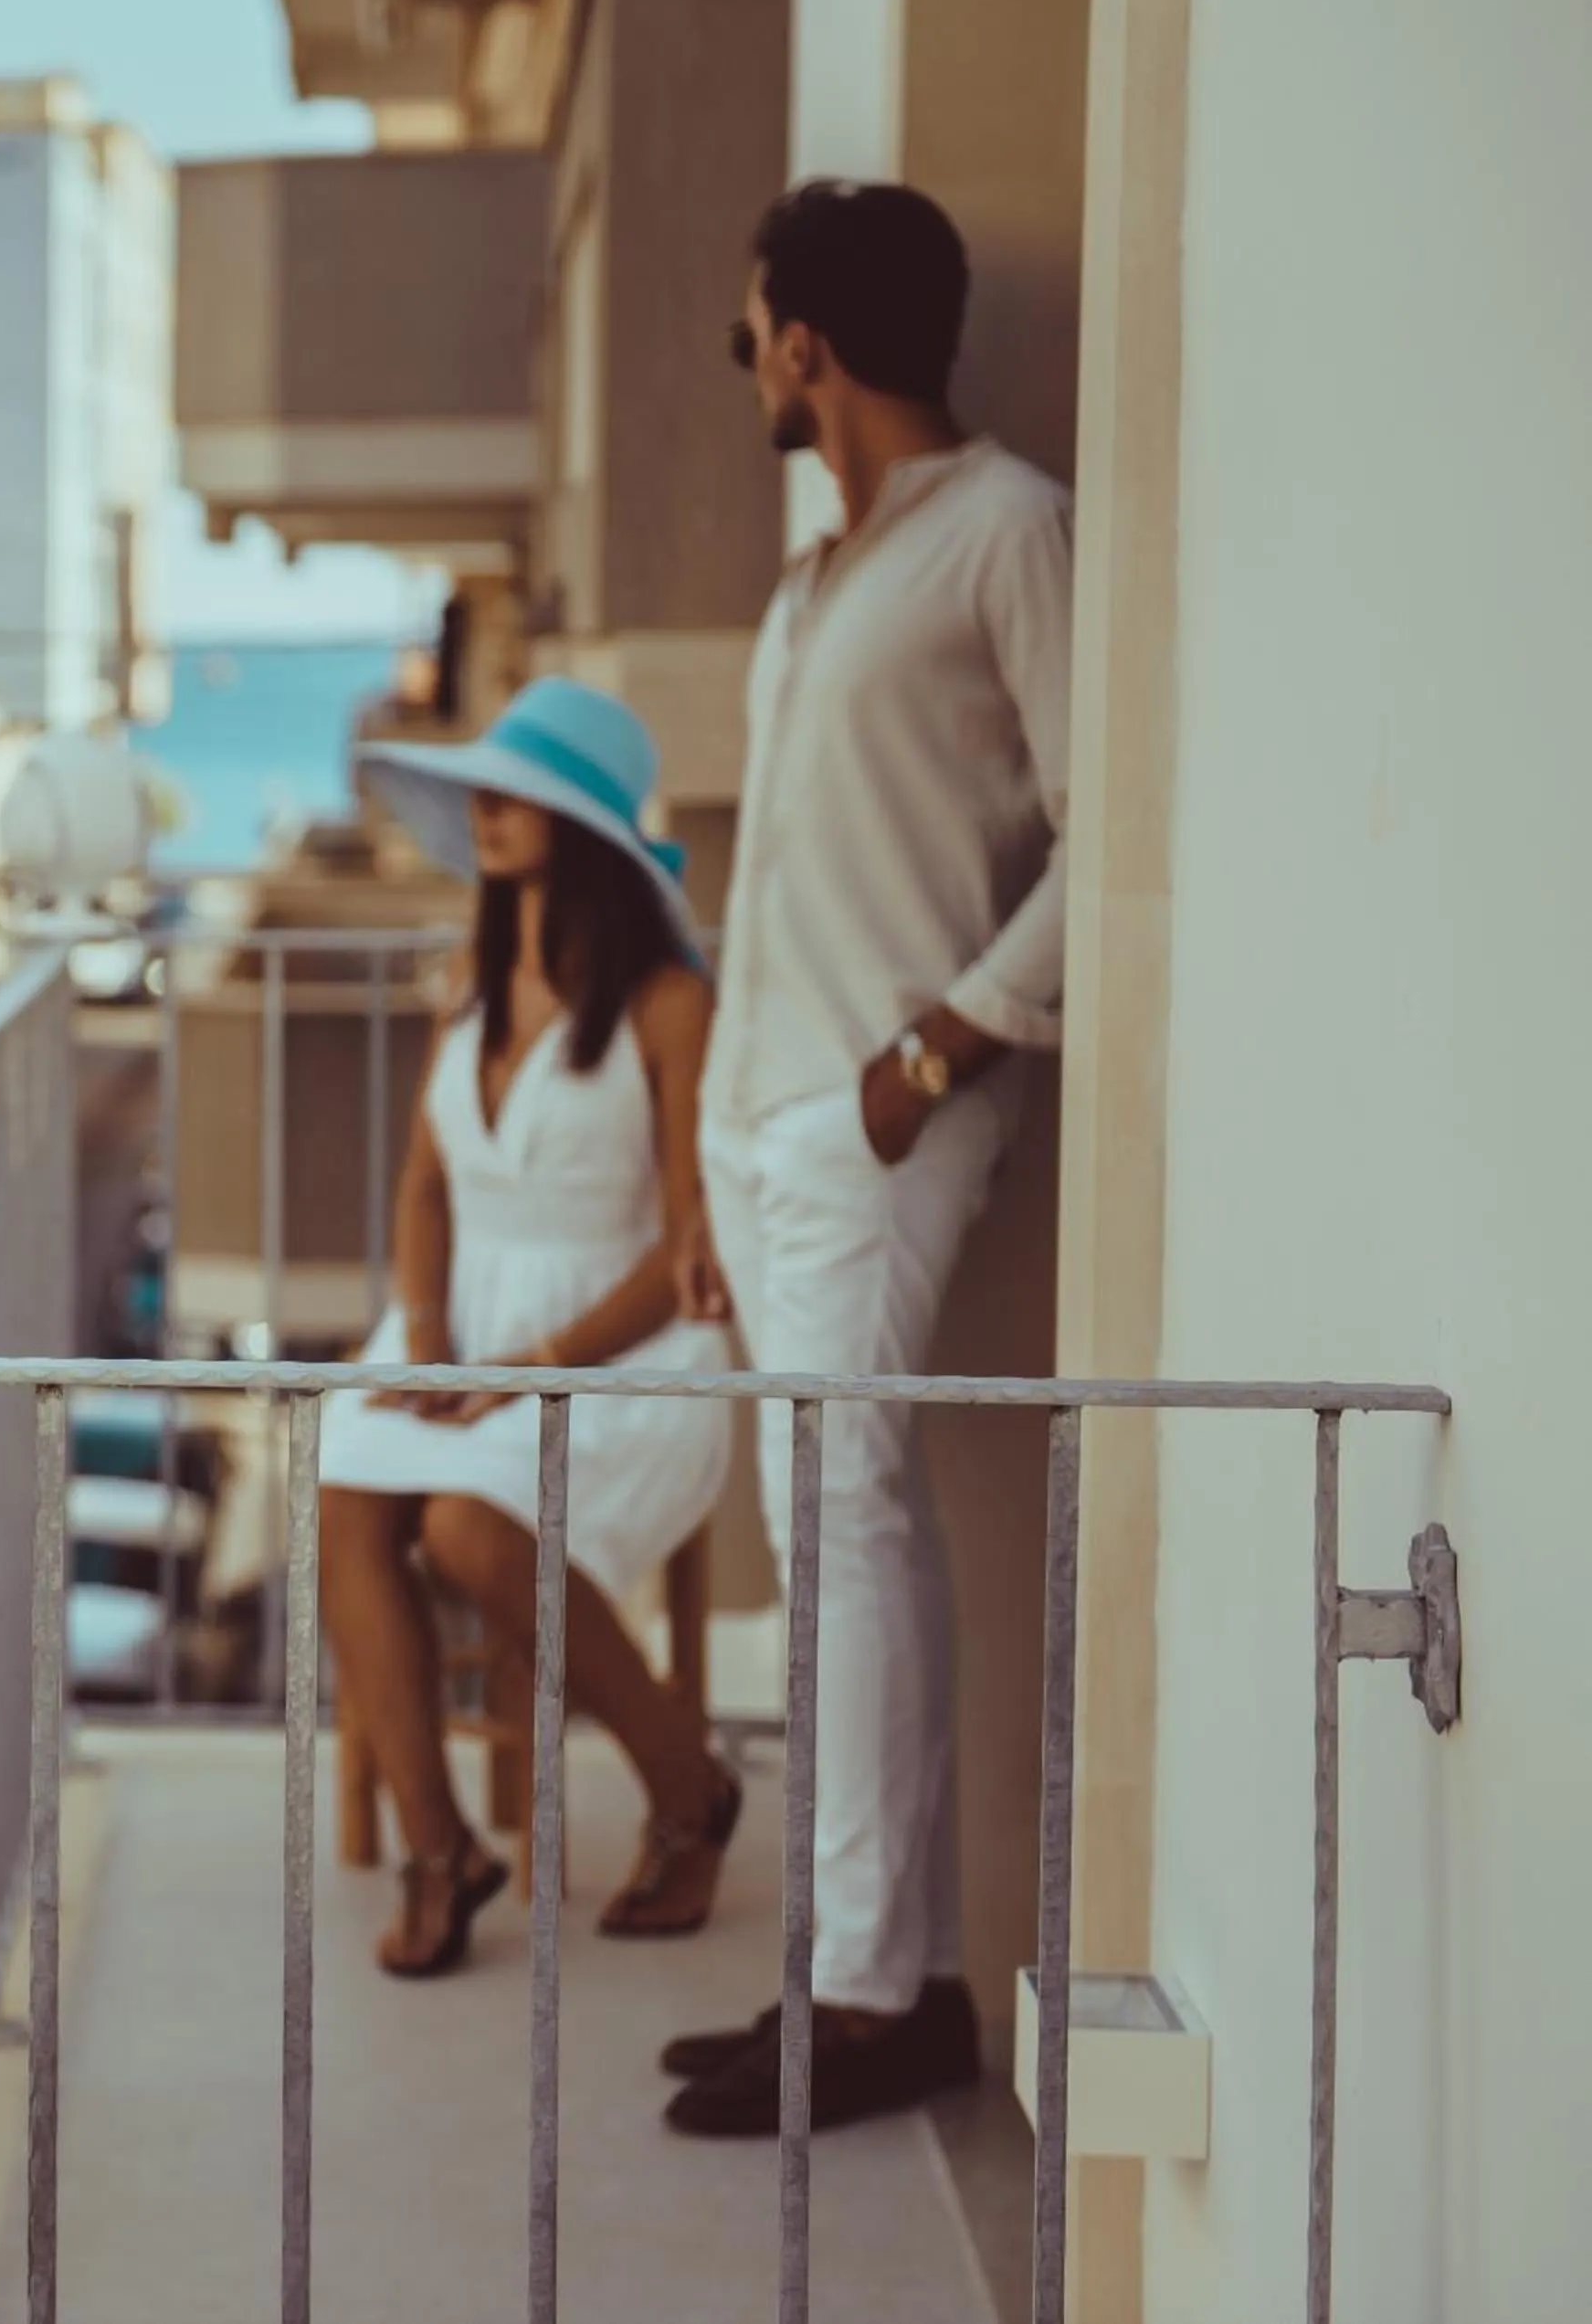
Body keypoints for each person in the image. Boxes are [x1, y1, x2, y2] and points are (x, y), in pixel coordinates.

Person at [659, 181, 1073, 2137]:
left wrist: (932, 1051)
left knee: (848, 1527)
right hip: (777, 1125)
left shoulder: (1012, 532)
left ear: (807, 344)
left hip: (881, 1114)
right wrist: (719, 1150)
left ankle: (861, 1988)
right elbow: (780, 883)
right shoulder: (816, 579)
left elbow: (1116, 835)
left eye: (755, 332)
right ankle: (871, 1973)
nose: (749, 362)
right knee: (846, 1533)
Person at [317, 677, 739, 1980]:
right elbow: (423, 1188)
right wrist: (434, 1339)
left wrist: (527, 1370)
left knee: (469, 1530)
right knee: (338, 1494)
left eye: (518, 796)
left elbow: (686, 1256)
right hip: (459, 1326)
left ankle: (689, 1789)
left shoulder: (670, 1004)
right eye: (483, 793)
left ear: (590, 832)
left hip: (622, 1349)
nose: (486, 813)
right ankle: (443, 1851)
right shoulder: (473, 982)